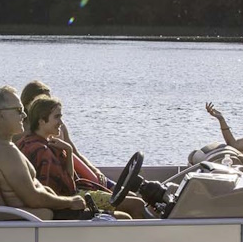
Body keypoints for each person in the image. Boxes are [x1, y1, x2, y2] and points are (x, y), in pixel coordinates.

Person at [0, 86, 104, 219]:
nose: (24, 115)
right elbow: (34, 199)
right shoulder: (6, 154)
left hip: (42, 214)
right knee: (118, 217)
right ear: (0, 114)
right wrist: (70, 202)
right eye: (19, 110)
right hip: (39, 219)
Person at [18, 93, 148, 218]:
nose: (61, 122)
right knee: (136, 205)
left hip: (72, 196)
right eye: (57, 117)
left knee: (134, 201)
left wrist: (68, 151)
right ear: (41, 121)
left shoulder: (35, 143)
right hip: (67, 203)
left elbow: (69, 181)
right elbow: (52, 192)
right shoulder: (42, 151)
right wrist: (73, 203)